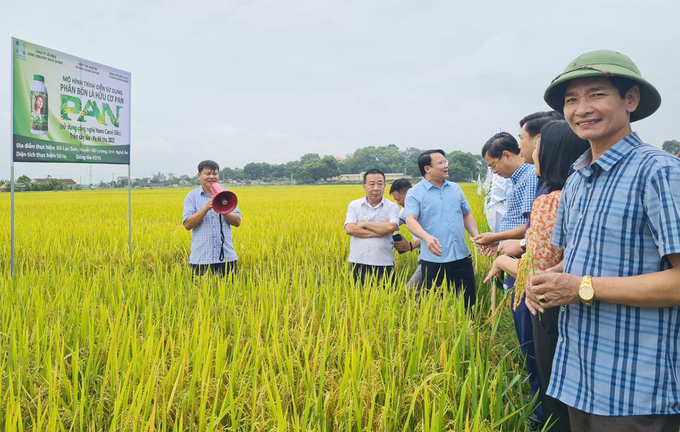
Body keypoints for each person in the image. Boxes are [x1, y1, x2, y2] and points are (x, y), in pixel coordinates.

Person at [529, 50, 680, 431]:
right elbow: (577, 260)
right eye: (571, 100)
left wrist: (579, 287)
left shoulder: (659, 171)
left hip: (637, 388)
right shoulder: (578, 178)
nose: (582, 109)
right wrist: (545, 282)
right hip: (578, 375)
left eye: (596, 94)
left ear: (630, 100)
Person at [484, 120, 590, 432]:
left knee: (552, 385)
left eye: (537, 146)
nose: (530, 151)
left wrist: (503, 260)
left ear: (554, 153)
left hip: (551, 310)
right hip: (590, 307)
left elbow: (537, 276)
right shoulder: (586, 192)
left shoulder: (549, 200)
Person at [472, 132, 541, 421]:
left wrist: (499, 239)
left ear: (507, 155)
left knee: (531, 334)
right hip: (512, 259)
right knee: (524, 331)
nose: (494, 171)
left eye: (492, 165)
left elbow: (531, 227)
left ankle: (540, 408)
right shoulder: (518, 180)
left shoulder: (528, 179)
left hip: (523, 261)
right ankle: (536, 394)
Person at [404, 150, 480, 309]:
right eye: (441, 163)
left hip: (461, 257)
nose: (446, 165)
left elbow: (466, 215)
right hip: (433, 260)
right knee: (434, 305)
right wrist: (426, 237)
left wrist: (477, 236)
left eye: (446, 162)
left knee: (469, 304)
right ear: (427, 169)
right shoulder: (415, 193)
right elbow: (410, 220)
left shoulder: (455, 188)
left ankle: (470, 330)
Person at [183, 160, 241, 276]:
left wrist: (223, 209)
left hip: (226, 258)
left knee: (230, 292)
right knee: (201, 293)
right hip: (201, 259)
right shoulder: (192, 196)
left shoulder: (228, 195)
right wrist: (207, 207)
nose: (211, 177)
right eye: (207, 173)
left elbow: (237, 222)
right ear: (199, 176)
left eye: (215, 174)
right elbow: (187, 225)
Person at [344, 169, 399, 284]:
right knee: (357, 297)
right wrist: (381, 230)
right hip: (358, 261)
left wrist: (364, 224)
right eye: (371, 184)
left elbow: (391, 228)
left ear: (384, 186)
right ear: (364, 186)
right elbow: (349, 229)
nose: (376, 188)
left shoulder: (392, 207)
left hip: (383, 262)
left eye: (380, 184)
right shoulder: (354, 205)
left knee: (385, 298)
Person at [389, 178, 422, 289]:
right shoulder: (406, 208)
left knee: (410, 290)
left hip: (435, 255)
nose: (398, 203)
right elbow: (394, 224)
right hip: (425, 254)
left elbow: (435, 236)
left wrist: (410, 246)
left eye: (398, 199)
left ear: (408, 194)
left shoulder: (425, 206)